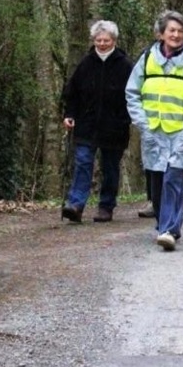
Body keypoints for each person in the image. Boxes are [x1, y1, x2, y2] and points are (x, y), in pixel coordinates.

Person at [126, 10, 183, 251]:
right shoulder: (146, 59)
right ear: (161, 34)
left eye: (180, 31)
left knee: (174, 179)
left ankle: (169, 229)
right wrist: (142, 123)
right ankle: (164, 224)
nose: (176, 35)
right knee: (156, 183)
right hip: (152, 132)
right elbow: (132, 93)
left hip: (182, 133)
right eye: (171, 31)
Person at [61, 20, 133, 223]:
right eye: (98, 40)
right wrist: (69, 115)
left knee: (110, 167)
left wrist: (126, 119)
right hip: (87, 125)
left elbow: (133, 95)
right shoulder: (85, 64)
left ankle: (106, 206)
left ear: (114, 41)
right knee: (83, 162)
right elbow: (72, 93)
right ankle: (75, 205)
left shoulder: (125, 65)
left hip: (114, 127)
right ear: (93, 40)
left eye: (106, 40)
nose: (102, 44)